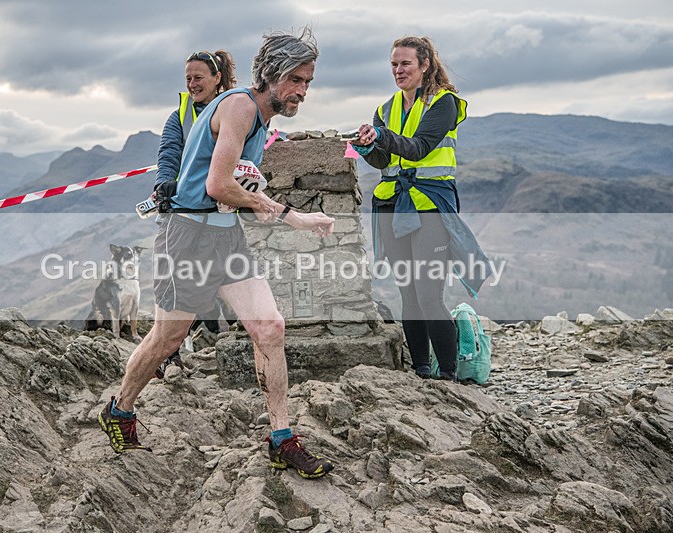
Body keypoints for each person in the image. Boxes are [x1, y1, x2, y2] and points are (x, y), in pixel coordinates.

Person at [99, 28, 336, 479]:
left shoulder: (262, 118)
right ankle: (120, 409)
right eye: (297, 80)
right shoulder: (242, 107)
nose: (303, 91)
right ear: (272, 74)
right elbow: (216, 185)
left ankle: (282, 439)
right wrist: (289, 213)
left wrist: (249, 197)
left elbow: (229, 188)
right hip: (186, 237)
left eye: (307, 82)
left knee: (269, 326)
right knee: (166, 340)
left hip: (225, 237)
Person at [350, 36, 491, 382]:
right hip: (391, 206)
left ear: (424, 65)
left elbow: (419, 148)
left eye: (405, 64)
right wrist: (368, 146)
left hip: (428, 205)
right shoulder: (385, 109)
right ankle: (422, 372)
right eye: (394, 65)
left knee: (429, 294)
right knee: (407, 293)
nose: (398, 70)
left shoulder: (444, 103)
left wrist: (381, 138)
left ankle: (448, 373)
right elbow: (385, 160)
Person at [153, 49, 237, 379]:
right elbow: (169, 153)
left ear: (217, 79)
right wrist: (164, 183)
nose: (192, 84)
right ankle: (169, 357)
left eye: (198, 78)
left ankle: (223, 345)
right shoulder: (179, 116)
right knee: (174, 285)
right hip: (184, 215)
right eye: (188, 78)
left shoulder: (234, 109)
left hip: (222, 215)